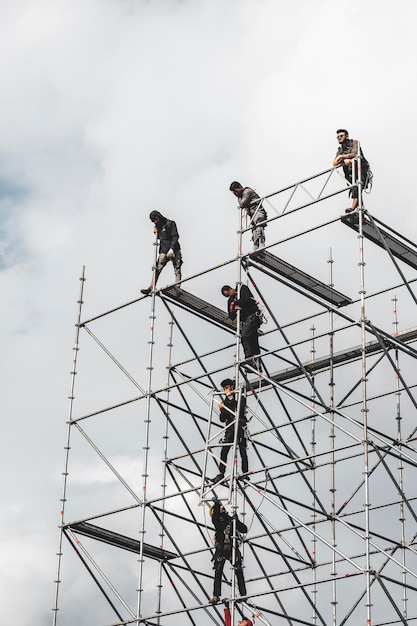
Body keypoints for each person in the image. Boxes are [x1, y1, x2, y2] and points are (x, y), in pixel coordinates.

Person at [209, 500, 248, 605]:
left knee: (238, 570)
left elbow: (244, 529)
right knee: (218, 571)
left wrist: (236, 521)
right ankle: (216, 595)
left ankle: (243, 595)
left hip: (232, 547)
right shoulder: (217, 520)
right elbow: (215, 517)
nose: (222, 508)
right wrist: (217, 505)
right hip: (221, 548)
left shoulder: (230, 520)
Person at [212, 379, 249, 483]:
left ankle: (245, 473)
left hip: (239, 426)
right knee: (224, 451)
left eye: (228, 387)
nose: (226, 390)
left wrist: (224, 407)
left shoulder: (240, 398)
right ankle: (221, 473)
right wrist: (221, 409)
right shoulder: (225, 402)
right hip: (230, 429)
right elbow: (222, 419)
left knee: (242, 450)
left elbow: (238, 410)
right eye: (225, 388)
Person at [141, 211, 183, 295]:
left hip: (174, 249)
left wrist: (172, 249)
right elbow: (161, 238)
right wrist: (156, 232)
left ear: (159, 216)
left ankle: (177, 287)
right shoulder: (158, 227)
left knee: (177, 268)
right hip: (163, 250)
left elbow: (175, 236)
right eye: (153, 221)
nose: (155, 221)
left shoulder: (170, 223)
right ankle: (152, 286)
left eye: (155, 219)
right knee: (157, 268)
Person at [221, 284, 262, 367]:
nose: (229, 296)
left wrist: (235, 303)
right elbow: (232, 316)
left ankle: (249, 359)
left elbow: (246, 299)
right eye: (227, 296)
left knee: (245, 336)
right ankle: (256, 364)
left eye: (228, 294)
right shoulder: (231, 300)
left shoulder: (242, 288)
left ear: (231, 289)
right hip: (246, 320)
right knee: (252, 340)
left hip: (252, 316)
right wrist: (233, 308)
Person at [333, 129, 370, 213]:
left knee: (357, 187)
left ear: (346, 136)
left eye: (341, 136)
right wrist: (343, 160)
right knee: (354, 189)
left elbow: (355, 154)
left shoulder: (354, 143)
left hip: (361, 169)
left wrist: (342, 157)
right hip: (350, 173)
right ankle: (360, 211)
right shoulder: (340, 150)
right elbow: (335, 163)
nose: (339, 138)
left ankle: (353, 208)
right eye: (338, 137)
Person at [229, 182, 267, 251]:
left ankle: (262, 246)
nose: (236, 194)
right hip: (253, 214)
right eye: (234, 193)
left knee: (259, 227)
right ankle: (256, 248)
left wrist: (239, 197)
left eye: (236, 191)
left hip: (258, 212)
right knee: (254, 231)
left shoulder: (247, 191)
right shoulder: (242, 195)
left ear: (240, 187)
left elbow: (242, 204)